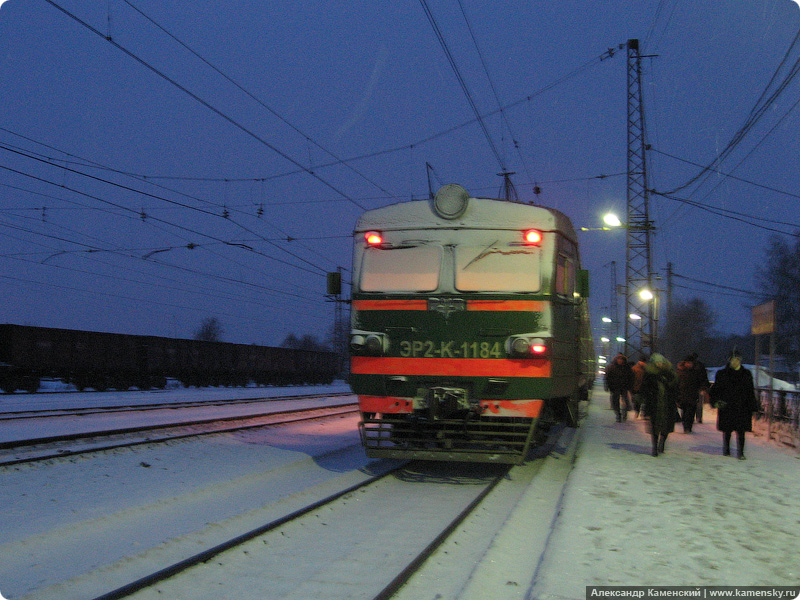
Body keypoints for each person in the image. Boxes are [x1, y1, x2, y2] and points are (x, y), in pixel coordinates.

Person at [709, 349, 759, 459]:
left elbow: (750, 390)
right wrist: (716, 401)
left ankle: (740, 452)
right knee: (727, 430)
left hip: (742, 407)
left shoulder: (746, 374)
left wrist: (753, 406)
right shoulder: (722, 374)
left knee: (741, 431)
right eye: (732, 360)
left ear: (740, 361)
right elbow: (715, 389)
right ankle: (726, 450)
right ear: (729, 361)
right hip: (727, 406)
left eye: (737, 360)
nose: (735, 362)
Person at [641, 353, 679, 457]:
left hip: (668, 404)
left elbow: (675, 388)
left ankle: (662, 441)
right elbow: (645, 388)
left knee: (666, 426)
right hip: (654, 404)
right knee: (654, 426)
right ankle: (654, 447)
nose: (659, 364)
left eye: (660, 362)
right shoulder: (649, 374)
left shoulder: (670, 374)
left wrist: (676, 397)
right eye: (657, 363)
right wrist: (642, 399)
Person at [676, 353, 710, 433]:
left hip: (693, 394)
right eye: (687, 362)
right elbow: (677, 382)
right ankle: (686, 425)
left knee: (690, 411)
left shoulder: (696, 371)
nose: (689, 364)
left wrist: (703, 388)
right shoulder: (681, 371)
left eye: (690, 363)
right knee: (685, 411)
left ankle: (688, 427)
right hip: (683, 393)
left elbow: (702, 380)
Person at [604, 353, 633, 422]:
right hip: (615, 387)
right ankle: (618, 415)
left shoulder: (626, 368)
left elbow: (631, 378)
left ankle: (624, 414)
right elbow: (607, 377)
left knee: (624, 401)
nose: (620, 360)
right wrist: (608, 386)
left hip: (623, 387)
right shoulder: (613, 367)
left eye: (621, 359)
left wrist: (630, 386)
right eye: (619, 359)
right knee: (616, 402)